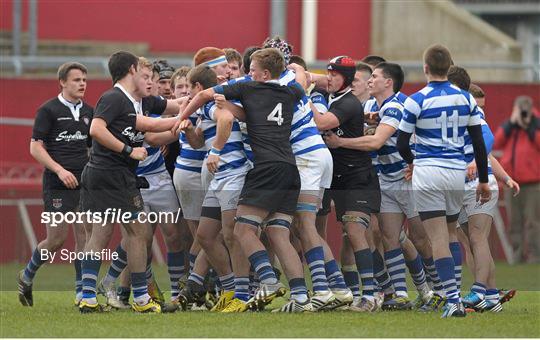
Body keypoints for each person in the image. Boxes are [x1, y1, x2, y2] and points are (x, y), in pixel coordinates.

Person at [178, 48, 313, 313]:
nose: (247, 73)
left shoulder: (250, 88)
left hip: (265, 169)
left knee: (242, 231)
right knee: (278, 234)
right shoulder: (291, 91)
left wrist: (181, 118)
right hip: (290, 169)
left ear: (263, 74)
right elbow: (302, 81)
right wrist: (294, 69)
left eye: (252, 70)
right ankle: (300, 298)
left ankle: (269, 282)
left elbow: (207, 95)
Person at [324, 62, 433, 311]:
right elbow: (369, 124)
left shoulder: (397, 104)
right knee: (387, 236)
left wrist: (340, 142)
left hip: (409, 178)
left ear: (388, 82)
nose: (370, 81)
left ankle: (433, 291)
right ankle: (398, 294)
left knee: (420, 238)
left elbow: (375, 142)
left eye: (374, 76)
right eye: (368, 76)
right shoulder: (371, 106)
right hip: (384, 178)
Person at [78, 51, 181, 313]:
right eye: (143, 74)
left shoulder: (137, 101)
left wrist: (199, 101)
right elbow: (96, 129)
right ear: (132, 70)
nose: (148, 79)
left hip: (104, 173)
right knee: (138, 233)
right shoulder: (114, 97)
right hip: (112, 173)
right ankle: (141, 299)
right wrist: (128, 151)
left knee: (103, 233)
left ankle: (87, 297)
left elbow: (169, 109)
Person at [396, 44, 491, 318]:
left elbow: (403, 143)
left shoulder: (416, 100)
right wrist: (483, 180)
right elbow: (478, 143)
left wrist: (413, 162)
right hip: (456, 173)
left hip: (428, 173)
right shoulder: (465, 99)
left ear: (425, 68)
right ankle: (458, 295)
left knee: (436, 237)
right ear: (448, 68)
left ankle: (452, 300)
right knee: (450, 234)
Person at [18, 62, 93, 307]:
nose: (82, 83)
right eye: (76, 80)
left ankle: (82, 292)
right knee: (56, 239)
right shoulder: (48, 110)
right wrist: (60, 170)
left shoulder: (89, 112)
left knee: (84, 233)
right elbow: (35, 147)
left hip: (83, 182)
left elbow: (91, 148)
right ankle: (26, 275)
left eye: (84, 79)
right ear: (62, 82)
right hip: (56, 182)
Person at [312, 56, 382, 312]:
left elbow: (321, 123)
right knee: (340, 235)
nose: (328, 78)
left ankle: (371, 295)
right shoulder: (334, 98)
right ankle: (350, 293)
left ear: (347, 79)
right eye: (327, 73)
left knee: (355, 233)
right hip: (337, 178)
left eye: (334, 74)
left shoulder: (348, 103)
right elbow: (315, 79)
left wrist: (303, 97)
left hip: (357, 177)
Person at [493, 96, 540, 263]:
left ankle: (535, 257)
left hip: (533, 183)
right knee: (514, 223)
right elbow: (496, 142)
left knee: (533, 223)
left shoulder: (536, 124)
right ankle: (516, 256)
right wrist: (511, 124)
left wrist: (529, 126)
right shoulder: (510, 126)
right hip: (512, 182)